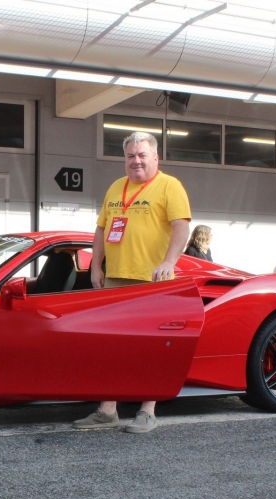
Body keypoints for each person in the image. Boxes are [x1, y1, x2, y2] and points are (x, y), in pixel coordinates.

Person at [74, 131, 191, 434]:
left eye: (141, 155)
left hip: (152, 281)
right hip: (115, 278)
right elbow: (101, 229)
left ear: (155, 157)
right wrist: (96, 265)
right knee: (111, 347)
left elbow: (181, 227)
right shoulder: (116, 187)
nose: (136, 161)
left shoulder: (170, 186)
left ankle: (147, 411)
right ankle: (107, 411)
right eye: (130, 156)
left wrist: (168, 263)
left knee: (149, 348)